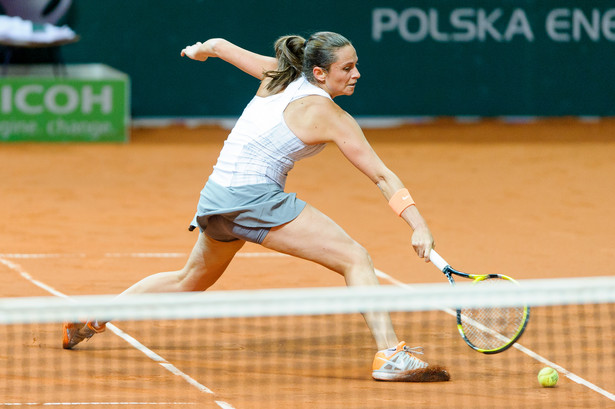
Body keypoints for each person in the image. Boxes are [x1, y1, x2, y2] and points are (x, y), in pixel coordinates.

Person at [63, 32, 449, 382]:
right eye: (346, 68)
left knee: (189, 280)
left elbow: (218, 46)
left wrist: (197, 51)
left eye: (356, 65)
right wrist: (418, 224)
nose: (356, 74)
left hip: (216, 198)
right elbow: (381, 176)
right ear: (318, 72)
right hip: (254, 198)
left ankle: (96, 314)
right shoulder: (328, 114)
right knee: (355, 257)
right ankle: (390, 355)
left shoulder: (276, 73)